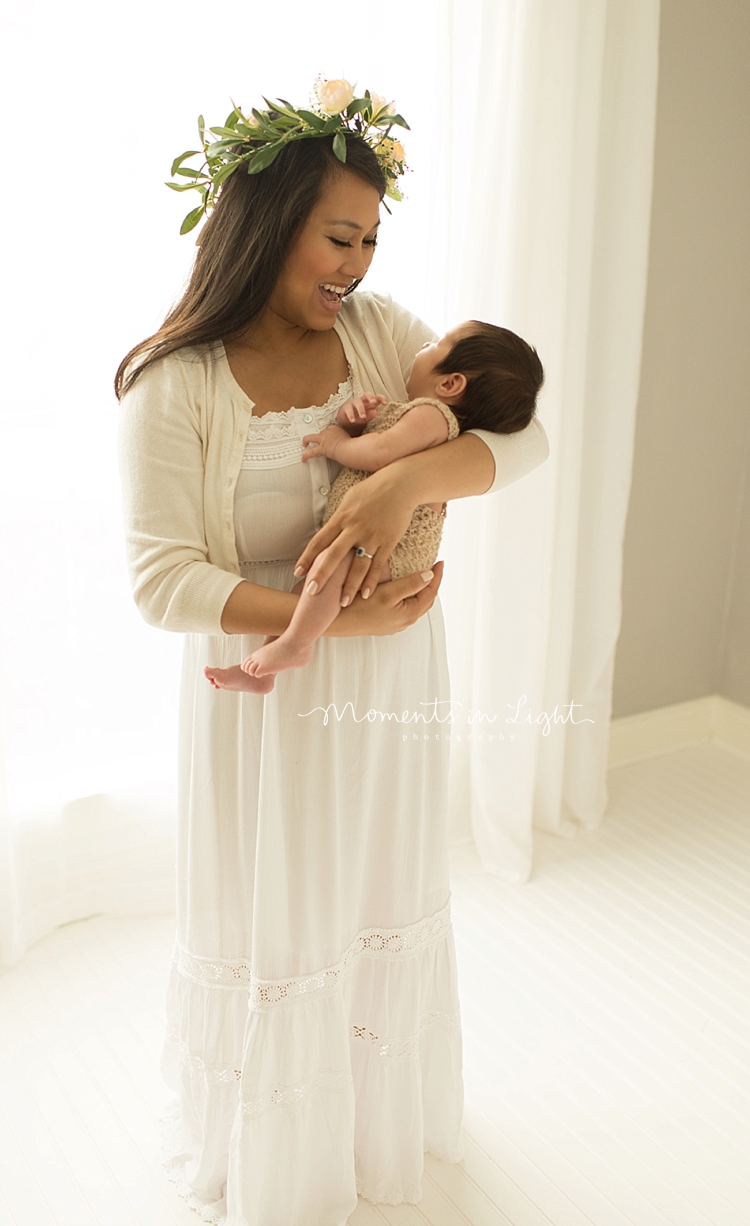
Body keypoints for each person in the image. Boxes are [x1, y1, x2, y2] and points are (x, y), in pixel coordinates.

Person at [115, 82, 549, 1226]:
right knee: (280, 919)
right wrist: (340, 619)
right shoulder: (174, 384)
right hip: (264, 710)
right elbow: (164, 584)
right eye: (339, 236)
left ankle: (370, 1129)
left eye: (371, 239)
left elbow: (523, 430)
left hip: (393, 688)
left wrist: (403, 478)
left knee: (374, 898)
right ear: (267, 227)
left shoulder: (380, 331)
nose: (358, 265)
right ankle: (279, 1158)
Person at [204, 321, 544, 692]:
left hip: (390, 551)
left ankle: (296, 645)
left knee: (324, 577)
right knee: (311, 590)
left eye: (439, 342)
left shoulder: (432, 415)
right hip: (378, 546)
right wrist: (355, 421)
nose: (426, 342)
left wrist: (336, 443)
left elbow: (380, 453)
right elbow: (381, 442)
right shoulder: (420, 416)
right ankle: (268, 669)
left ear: (450, 384)